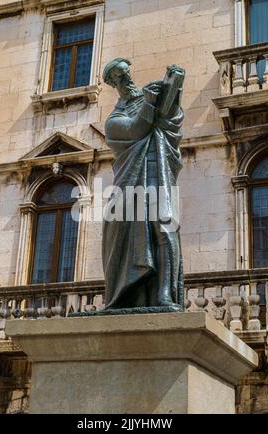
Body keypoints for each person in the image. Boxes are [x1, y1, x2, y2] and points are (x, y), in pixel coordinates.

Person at [102, 57, 185, 311]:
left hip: (158, 172)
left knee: (165, 227)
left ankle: (165, 295)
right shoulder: (114, 120)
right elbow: (136, 130)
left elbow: (171, 119)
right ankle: (138, 292)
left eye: (127, 72)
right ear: (112, 82)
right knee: (140, 234)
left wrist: (174, 89)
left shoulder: (147, 96)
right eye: (119, 76)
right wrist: (150, 102)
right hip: (131, 185)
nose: (127, 78)